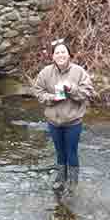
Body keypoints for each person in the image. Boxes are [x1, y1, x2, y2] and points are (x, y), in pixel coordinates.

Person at [34, 39, 95, 195]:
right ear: (53, 56)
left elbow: (87, 92)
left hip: (73, 121)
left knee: (71, 152)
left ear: (69, 55)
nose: (60, 55)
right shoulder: (45, 73)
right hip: (54, 121)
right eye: (57, 52)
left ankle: (73, 182)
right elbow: (38, 92)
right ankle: (61, 178)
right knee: (59, 151)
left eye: (63, 52)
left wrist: (72, 88)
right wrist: (52, 97)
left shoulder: (79, 72)